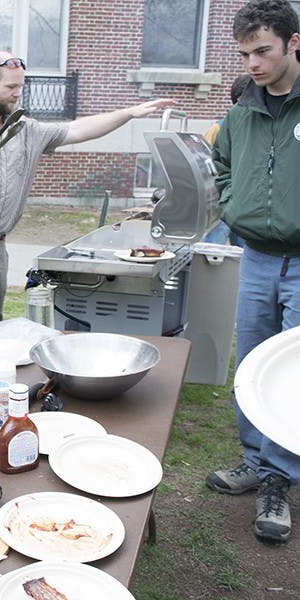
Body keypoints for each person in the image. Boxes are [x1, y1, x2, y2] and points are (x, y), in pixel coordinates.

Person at [0, 50, 173, 354]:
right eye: (11, 87)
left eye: (20, 87)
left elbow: (78, 129)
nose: (17, 94)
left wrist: (128, 113)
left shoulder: (25, 130)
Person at [206, 0, 300, 543]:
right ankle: (255, 459)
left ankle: (278, 480)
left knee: (293, 374)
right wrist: (232, 204)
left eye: (262, 51)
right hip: (257, 257)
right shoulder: (241, 114)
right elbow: (222, 166)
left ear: (293, 42)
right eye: (245, 54)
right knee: (253, 365)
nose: (253, 64)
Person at [202, 74, 251, 247]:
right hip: (220, 202)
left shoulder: (264, 130)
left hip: (248, 205)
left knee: (244, 251)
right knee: (211, 249)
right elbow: (204, 165)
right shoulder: (219, 128)